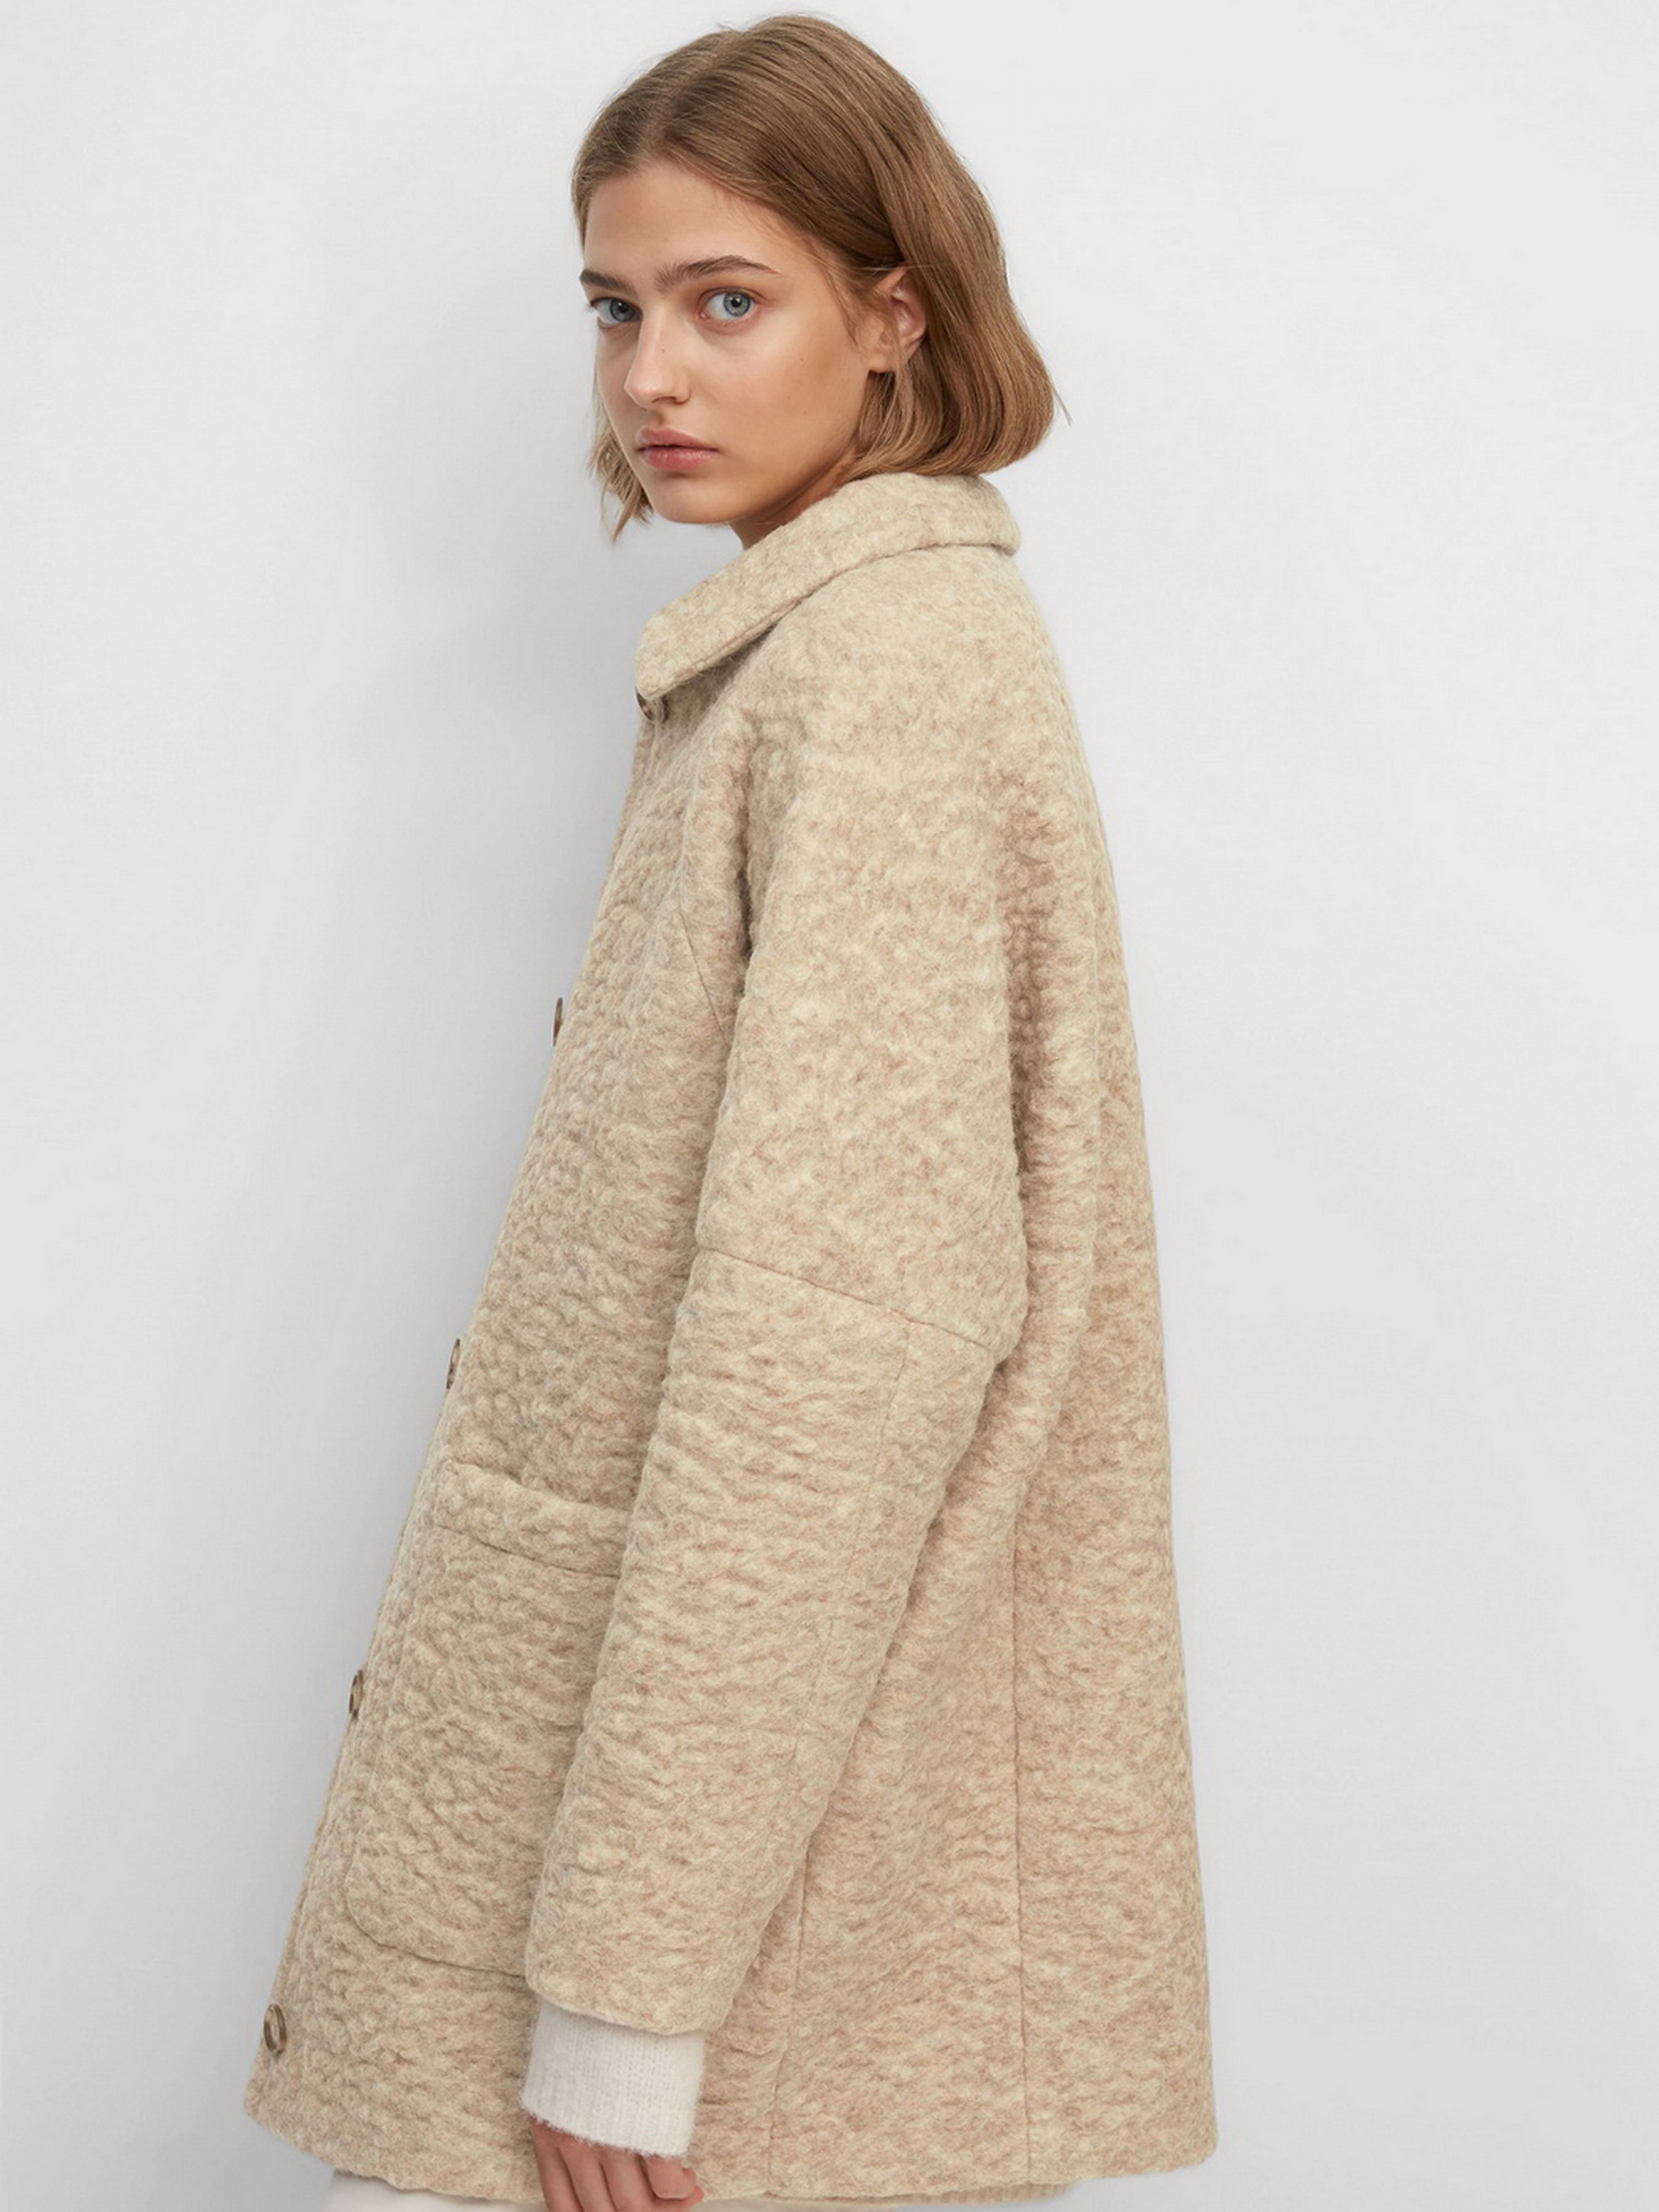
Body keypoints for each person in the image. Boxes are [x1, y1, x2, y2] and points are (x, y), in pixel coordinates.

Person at [244, 16, 1217, 2211]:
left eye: (726, 301)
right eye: (615, 308)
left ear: (895, 316)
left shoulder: (876, 679)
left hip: (729, 1965)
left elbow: (826, 1367)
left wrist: (626, 1993)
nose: (650, 375)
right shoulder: (814, 656)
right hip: (738, 1883)